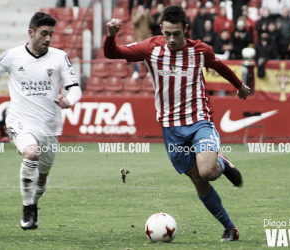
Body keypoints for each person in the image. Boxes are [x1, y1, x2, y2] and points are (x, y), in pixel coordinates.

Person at [104, 5, 250, 242]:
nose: (172, 39)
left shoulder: (200, 51)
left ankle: (220, 163)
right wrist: (111, 36)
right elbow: (112, 53)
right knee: (198, 181)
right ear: (161, 29)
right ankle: (230, 228)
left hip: (199, 120)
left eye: (177, 34)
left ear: (186, 30)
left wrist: (239, 86)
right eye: (168, 33)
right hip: (171, 129)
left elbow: (219, 66)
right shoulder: (151, 48)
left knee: (207, 172)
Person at [0, 12, 82, 231]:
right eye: (43, 34)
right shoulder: (13, 56)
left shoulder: (59, 57)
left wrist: (70, 100)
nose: (48, 39)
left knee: (42, 177)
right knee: (31, 153)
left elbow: (75, 88)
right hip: (20, 121)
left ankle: (34, 202)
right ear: (31, 32)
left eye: (51, 34)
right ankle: (28, 208)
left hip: (49, 126)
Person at [131, 4, 153, 80]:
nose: (141, 11)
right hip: (138, 39)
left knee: (148, 56)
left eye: (142, 9)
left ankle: (149, 71)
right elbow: (134, 21)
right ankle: (136, 71)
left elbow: (152, 23)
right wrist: (140, 15)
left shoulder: (146, 16)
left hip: (146, 39)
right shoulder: (135, 15)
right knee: (136, 56)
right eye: (139, 9)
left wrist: (147, 15)